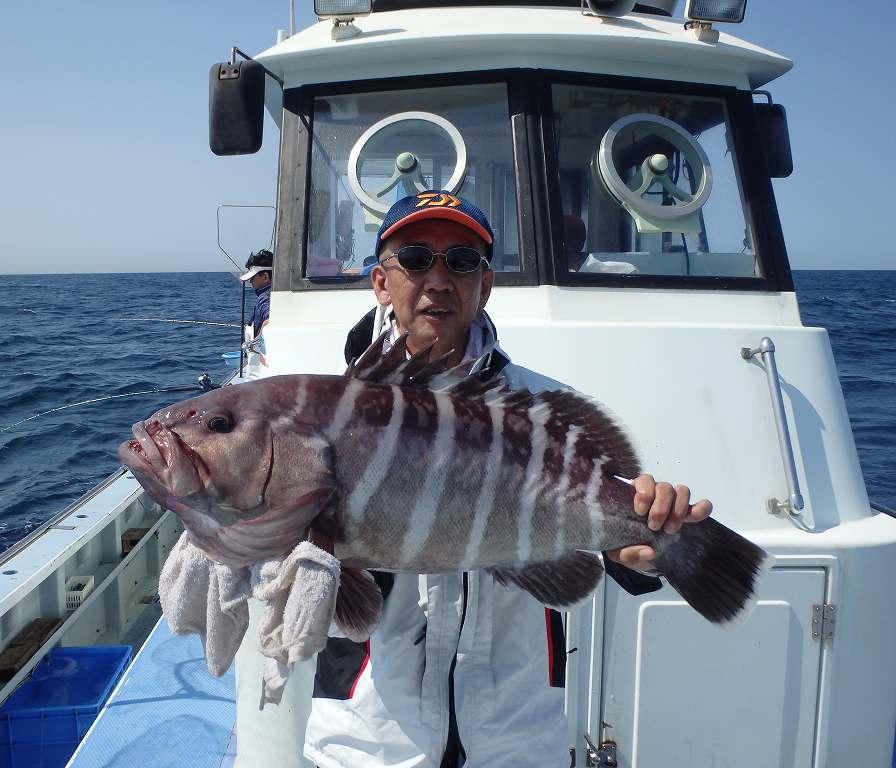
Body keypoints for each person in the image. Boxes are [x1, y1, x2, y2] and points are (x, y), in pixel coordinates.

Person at [305, 190, 712, 768]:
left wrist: (638, 558)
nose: (439, 279)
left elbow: (603, 548)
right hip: (365, 740)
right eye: (416, 259)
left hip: (517, 742)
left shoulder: (546, 407)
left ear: (486, 283)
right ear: (380, 281)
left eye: (462, 261)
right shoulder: (326, 417)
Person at [240, 249, 273, 337]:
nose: (250, 281)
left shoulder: (265, 297)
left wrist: (257, 342)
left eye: (253, 277)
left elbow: (272, 321)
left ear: (265, 276)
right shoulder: (276, 293)